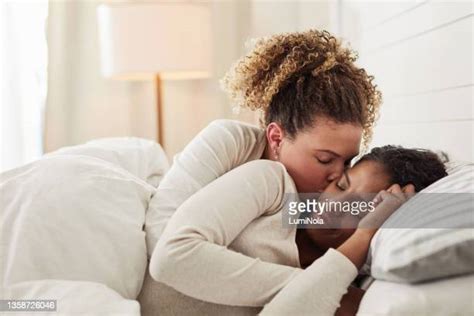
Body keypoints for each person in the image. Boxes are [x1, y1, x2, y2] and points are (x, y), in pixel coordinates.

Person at [146, 29, 382, 315]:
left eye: (347, 162)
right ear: (276, 138)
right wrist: (317, 286)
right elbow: (161, 241)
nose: (338, 175)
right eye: (324, 159)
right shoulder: (233, 145)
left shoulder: (323, 208)